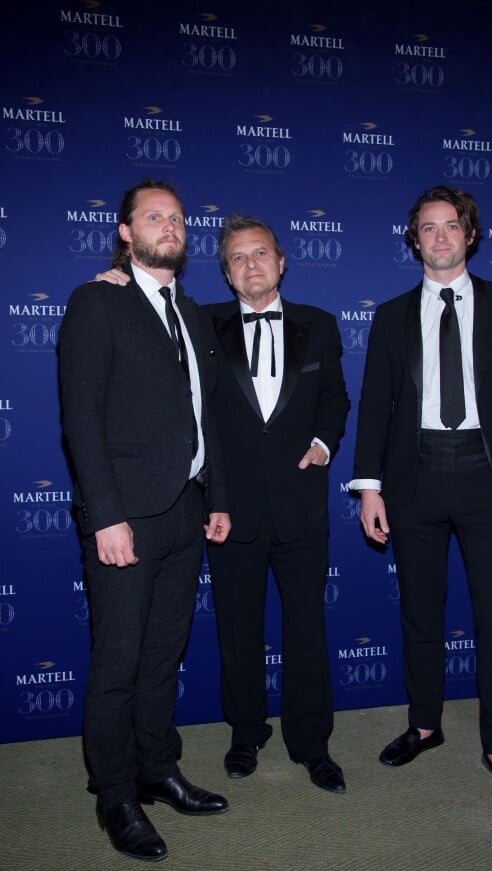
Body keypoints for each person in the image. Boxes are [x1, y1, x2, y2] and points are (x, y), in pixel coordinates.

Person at [94, 212, 350, 794]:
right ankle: (246, 733)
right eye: (237, 257)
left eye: (260, 253)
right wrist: (112, 277)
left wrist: (322, 441)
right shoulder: (200, 322)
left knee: (307, 627)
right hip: (229, 508)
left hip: (300, 504)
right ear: (227, 274)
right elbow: (143, 311)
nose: (251, 264)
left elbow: (335, 399)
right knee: (237, 628)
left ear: (282, 263)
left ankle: (312, 744)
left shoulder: (321, 324)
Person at [350, 186, 492, 807]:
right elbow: (376, 410)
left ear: (469, 235)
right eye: (428, 227)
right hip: (414, 478)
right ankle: (425, 724)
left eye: (451, 226)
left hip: (491, 479)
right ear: (414, 238)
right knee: (420, 613)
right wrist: (369, 488)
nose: (440, 237)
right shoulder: (388, 316)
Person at [59, 179, 231, 863]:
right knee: (119, 662)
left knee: (164, 655)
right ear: (126, 233)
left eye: (179, 218)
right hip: (124, 517)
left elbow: (202, 414)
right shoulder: (96, 301)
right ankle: (114, 794)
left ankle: (157, 767)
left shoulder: (190, 313)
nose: (170, 225)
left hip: (185, 512)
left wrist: (215, 496)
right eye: (154, 216)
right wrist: (106, 516)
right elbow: (81, 419)